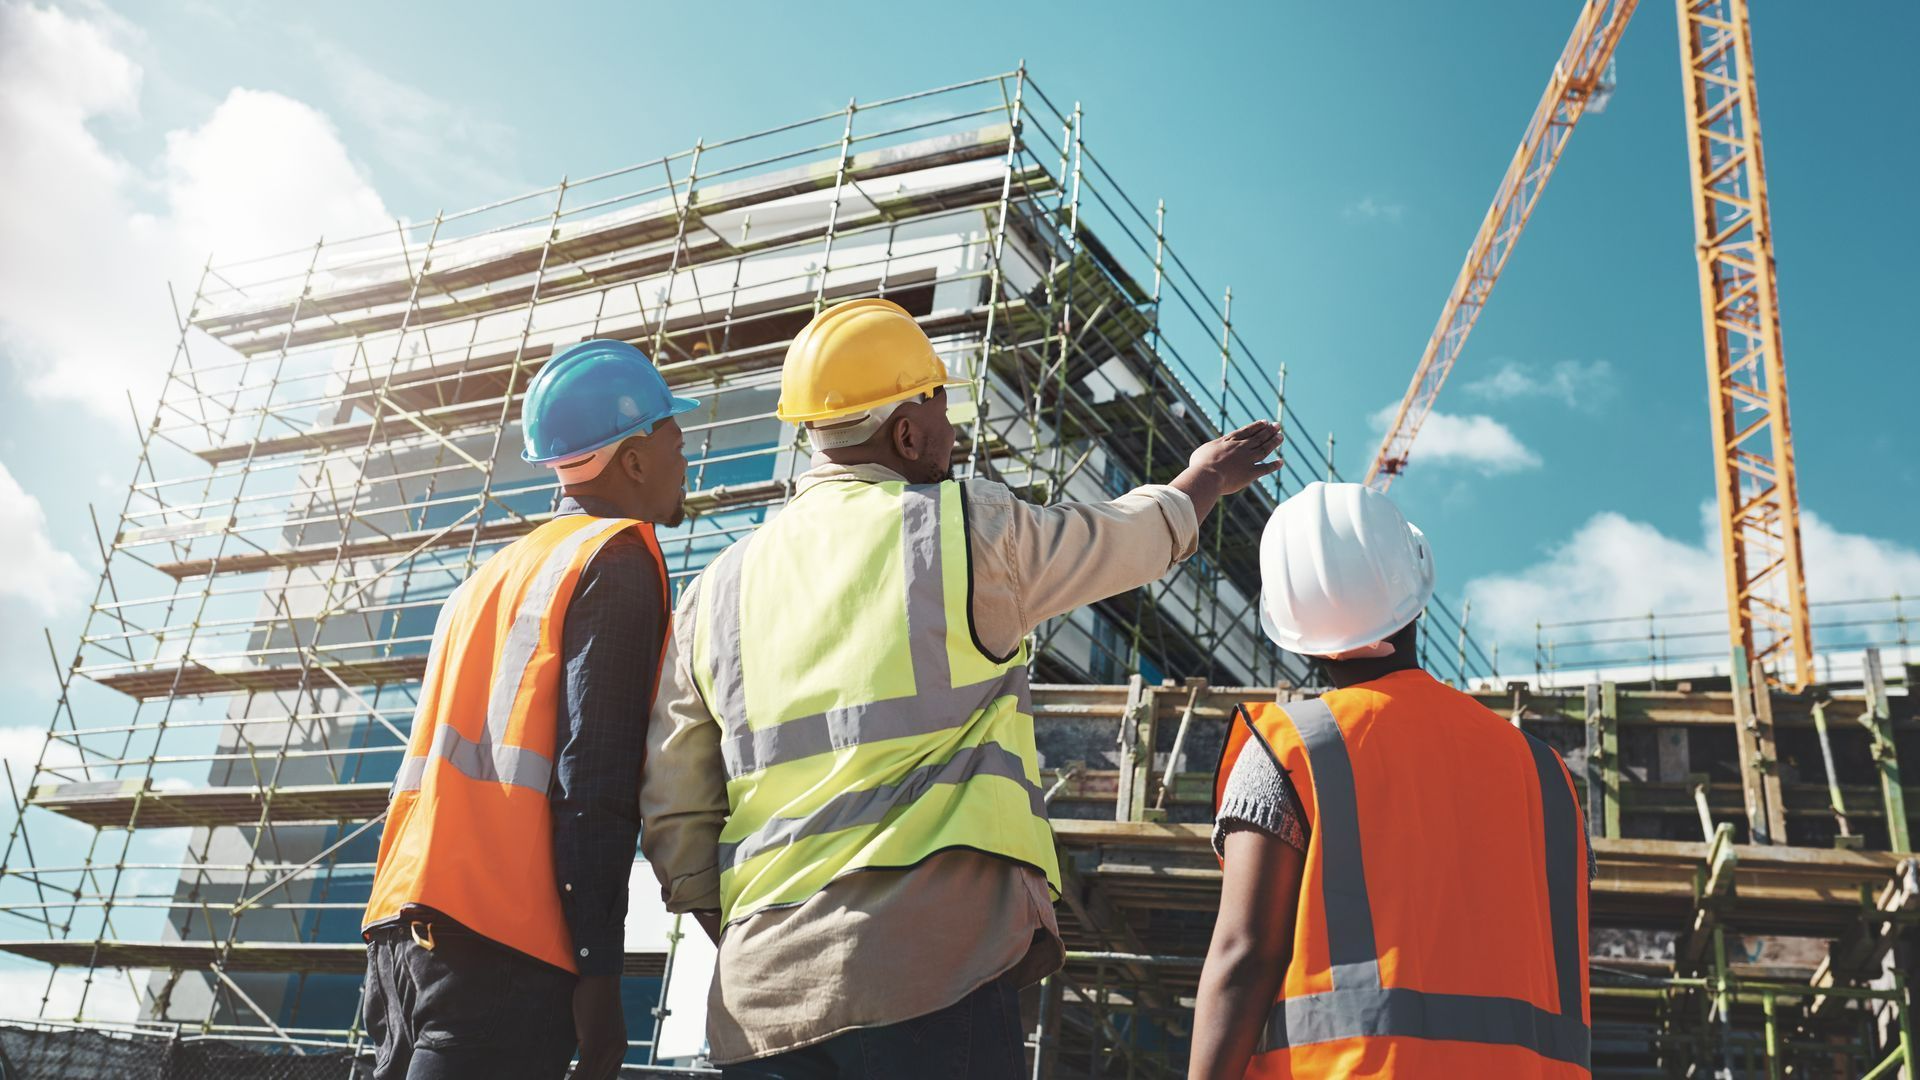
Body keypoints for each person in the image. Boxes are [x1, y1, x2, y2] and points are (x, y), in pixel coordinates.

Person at [640, 296, 1283, 1077]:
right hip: (931, 975)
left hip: (763, 1000)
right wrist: (1202, 480)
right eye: (942, 406)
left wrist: (745, 932)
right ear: (906, 431)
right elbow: (1123, 540)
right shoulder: (961, 527)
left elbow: (675, 810)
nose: (954, 432)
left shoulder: (713, 590)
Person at [360, 339, 698, 1080]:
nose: (687, 459)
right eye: (677, 439)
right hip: (502, 944)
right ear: (633, 460)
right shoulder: (616, 556)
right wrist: (599, 975)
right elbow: (593, 779)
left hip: (402, 929)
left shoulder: (495, 573)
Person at [1191, 481, 1591, 1078]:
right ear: (1416, 597)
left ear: (1292, 629)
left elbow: (1243, 956)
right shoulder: (1547, 772)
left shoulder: (1289, 748)